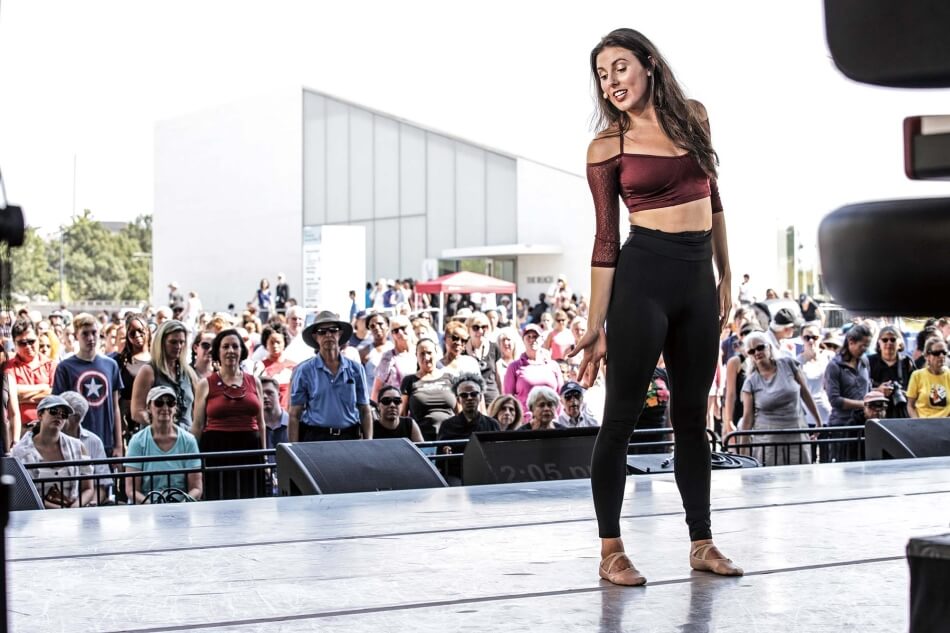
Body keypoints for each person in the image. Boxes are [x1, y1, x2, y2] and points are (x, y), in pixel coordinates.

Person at [570, 29, 740, 586]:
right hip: (642, 278)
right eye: (601, 74)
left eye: (619, 67)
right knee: (619, 419)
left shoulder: (694, 116)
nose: (611, 81)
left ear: (647, 64)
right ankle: (611, 549)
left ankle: (702, 541)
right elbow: (604, 240)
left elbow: (712, 197)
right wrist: (596, 325)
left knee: (692, 417)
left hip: (696, 277)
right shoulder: (607, 147)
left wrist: (725, 274)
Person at [192, 329, 267, 500]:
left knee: (251, 500)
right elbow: (198, 426)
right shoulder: (205, 384)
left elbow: (261, 423)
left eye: (235, 346)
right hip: (217, 452)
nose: (231, 351)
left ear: (242, 351)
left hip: (250, 451)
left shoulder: (255, 382)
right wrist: (194, 461)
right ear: (218, 351)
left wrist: (264, 457)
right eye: (225, 347)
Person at [288, 311, 372, 442]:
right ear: (316, 336)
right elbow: (294, 414)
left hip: (350, 437)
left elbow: (365, 409)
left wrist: (369, 442)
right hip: (316, 438)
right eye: (322, 331)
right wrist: (293, 450)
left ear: (340, 334)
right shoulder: (304, 370)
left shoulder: (356, 368)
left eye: (333, 330)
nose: (328, 335)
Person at [740, 332, 822, 466]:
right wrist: (742, 452)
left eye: (760, 347)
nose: (757, 352)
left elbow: (806, 394)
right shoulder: (751, 382)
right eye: (751, 351)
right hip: (768, 441)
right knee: (772, 482)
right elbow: (747, 418)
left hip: (796, 433)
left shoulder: (788, 364)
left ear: (769, 347)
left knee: (799, 478)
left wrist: (818, 421)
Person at [52, 313, 124, 457]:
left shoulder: (111, 365)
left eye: (94, 333)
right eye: (85, 334)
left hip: (106, 440)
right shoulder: (65, 367)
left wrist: (118, 445)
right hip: (74, 441)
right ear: (76, 335)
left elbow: (115, 406)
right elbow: (58, 408)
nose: (90, 338)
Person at [11, 395, 94, 508]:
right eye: (54, 411)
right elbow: (21, 494)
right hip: (35, 517)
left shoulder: (77, 446)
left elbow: (88, 488)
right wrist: (57, 509)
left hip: (71, 516)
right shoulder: (20, 451)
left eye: (64, 414)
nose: (59, 416)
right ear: (40, 415)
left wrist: (74, 508)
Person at [125, 386, 203, 503]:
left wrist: (181, 506)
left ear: (175, 407)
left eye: (170, 403)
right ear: (149, 408)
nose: (165, 407)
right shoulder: (137, 441)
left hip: (180, 508)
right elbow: (131, 489)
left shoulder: (188, 441)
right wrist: (153, 507)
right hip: (147, 509)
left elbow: (196, 487)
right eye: (159, 403)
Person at [131, 320, 197, 433]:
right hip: (158, 440)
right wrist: (163, 425)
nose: (178, 346)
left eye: (182, 342)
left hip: (186, 441)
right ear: (161, 343)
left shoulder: (188, 372)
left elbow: (197, 410)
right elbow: (137, 412)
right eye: (173, 342)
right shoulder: (148, 371)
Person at [823, 324, 872, 462]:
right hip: (842, 425)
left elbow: (868, 388)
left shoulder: (864, 361)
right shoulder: (834, 366)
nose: (865, 349)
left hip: (862, 423)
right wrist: (863, 404)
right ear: (851, 341)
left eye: (867, 346)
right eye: (862, 346)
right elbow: (835, 400)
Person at [5, 318, 55, 439]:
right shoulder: (8, 366)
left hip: (47, 431)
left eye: (31, 341)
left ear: (38, 338)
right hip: (20, 432)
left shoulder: (50, 365)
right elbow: (10, 396)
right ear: (14, 343)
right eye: (22, 343)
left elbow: (53, 395)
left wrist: (21, 397)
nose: (28, 346)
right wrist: (43, 388)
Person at [60, 391, 112, 505]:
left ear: (77, 418)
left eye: (64, 413)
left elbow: (102, 484)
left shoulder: (94, 442)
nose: (58, 417)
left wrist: (91, 504)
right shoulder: (52, 438)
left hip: (87, 505)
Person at [504, 324, 563, 422]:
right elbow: (508, 398)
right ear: (523, 340)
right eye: (528, 336)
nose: (532, 339)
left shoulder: (553, 365)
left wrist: (558, 416)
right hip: (527, 421)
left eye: (535, 336)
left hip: (552, 420)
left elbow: (560, 395)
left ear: (542, 339)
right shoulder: (514, 367)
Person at [400, 337, 456, 441]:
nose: (426, 357)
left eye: (429, 352)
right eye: (422, 353)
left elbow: (459, 412)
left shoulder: (450, 378)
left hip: (450, 437)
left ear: (436, 353)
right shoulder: (409, 381)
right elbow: (402, 415)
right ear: (416, 356)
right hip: (421, 439)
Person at [112, 313, 151, 445]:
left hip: (152, 416)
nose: (137, 336)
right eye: (132, 333)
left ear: (148, 330)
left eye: (140, 331)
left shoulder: (157, 358)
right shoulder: (120, 360)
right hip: (126, 420)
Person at [868, 325, 914, 419]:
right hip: (876, 411)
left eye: (893, 340)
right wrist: (878, 390)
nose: (889, 343)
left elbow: (917, 388)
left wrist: (904, 393)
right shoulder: (869, 362)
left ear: (900, 343)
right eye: (885, 340)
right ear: (878, 343)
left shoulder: (907, 362)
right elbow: (860, 389)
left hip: (901, 411)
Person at [372, 314, 417, 401]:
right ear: (392, 335)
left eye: (403, 328)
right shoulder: (388, 357)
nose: (400, 332)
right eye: (395, 331)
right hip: (397, 406)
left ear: (410, 327)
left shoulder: (420, 351)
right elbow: (377, 389)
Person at [797, 324, 833, 428]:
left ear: (820, 337)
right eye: (807, 338)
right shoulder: (796, 362)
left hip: (828, 413)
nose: (811, 341)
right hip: (806, 417)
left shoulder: (829, 357)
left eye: (814, 337)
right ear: (801, 339)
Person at [464, 312, 502, 407]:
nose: (480, 331)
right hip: (470, 400)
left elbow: (499, 376)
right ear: (468, 329)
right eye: (476, 327)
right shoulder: (462, 350)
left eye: (484, 327)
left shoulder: (494, 348)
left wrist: (502, 399)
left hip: (492, 399)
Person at [255, 324, 297, 410]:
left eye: (278, 342)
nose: (275, 345)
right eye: (272, 342)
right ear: (266, 343)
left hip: (287, 415)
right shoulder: (259, 366)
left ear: (284, 342)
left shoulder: (293, 366)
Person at [907, 337, 950, 418]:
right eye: (936, 353)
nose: (941, 356)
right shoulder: (917, 375)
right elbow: (910, 406)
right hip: (923, 424)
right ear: (927, 356)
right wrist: (917, 423)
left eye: (944, 352)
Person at [260, 377, 289, 449]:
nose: (265, 396)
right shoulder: (255, 426)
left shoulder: (292, 423)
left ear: (279, 395)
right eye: (260, 393)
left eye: (269, 393)